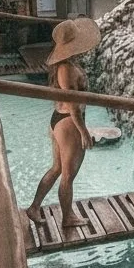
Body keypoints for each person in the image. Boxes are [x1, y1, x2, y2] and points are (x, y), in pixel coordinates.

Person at [26, 17, 101, 229]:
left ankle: (34, 207)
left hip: (60, 120)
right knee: (68, 175)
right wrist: (83, 131)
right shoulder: (66, 69)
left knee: (57, 168)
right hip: (69, 122)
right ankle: (67, 217)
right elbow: (73, 103)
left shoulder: (65, 66)